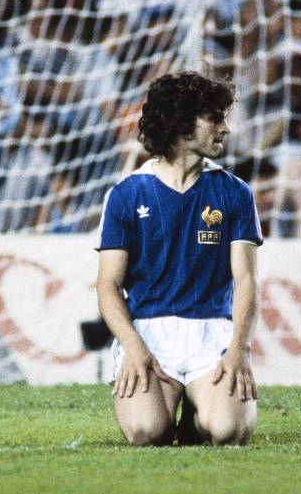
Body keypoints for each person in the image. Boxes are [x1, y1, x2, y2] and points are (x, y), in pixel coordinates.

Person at [95, 72, 261, 447]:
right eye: (214, 119)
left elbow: (246, 281)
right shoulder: (125, 194)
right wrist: (133, 346)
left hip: (213, 335)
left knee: (229, 431)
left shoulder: (235, 193)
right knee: (146, 431)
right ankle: (175, 406)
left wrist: (239, 349)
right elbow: (108, 285)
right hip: (149, 335)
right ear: (182, 124)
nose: (225, 129)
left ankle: (196, 416)